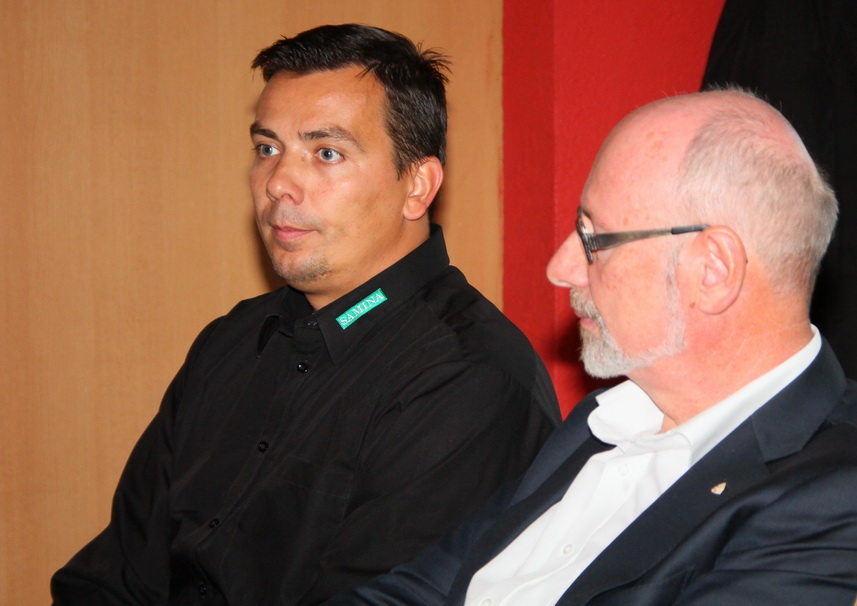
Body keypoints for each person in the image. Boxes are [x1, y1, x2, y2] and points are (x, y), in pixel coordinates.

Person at [51, 24, 560, 605]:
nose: (278, 184)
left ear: (417, 186)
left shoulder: (470, 379)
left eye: (326, 153)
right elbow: (113, 577)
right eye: (268, 149)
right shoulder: (231, 340)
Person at [327, 89, 857, 605]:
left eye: (593, 239)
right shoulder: (600, 423)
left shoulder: (832, 494)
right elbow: (420, 589)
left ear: (713, 271)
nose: (560, 269)